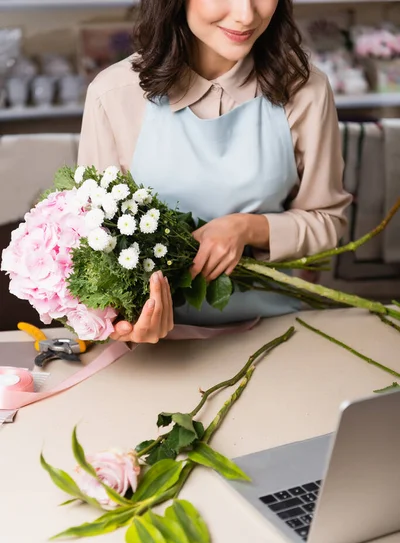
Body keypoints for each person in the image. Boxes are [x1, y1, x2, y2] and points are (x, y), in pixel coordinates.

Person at [78, 0, 352, 344]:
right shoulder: (114, 94)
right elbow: (91, 242)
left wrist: (247, 228)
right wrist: (123, 321)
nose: (246, 14)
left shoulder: (304, 89)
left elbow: (328, 220)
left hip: (277, 331)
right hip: (157, 345)